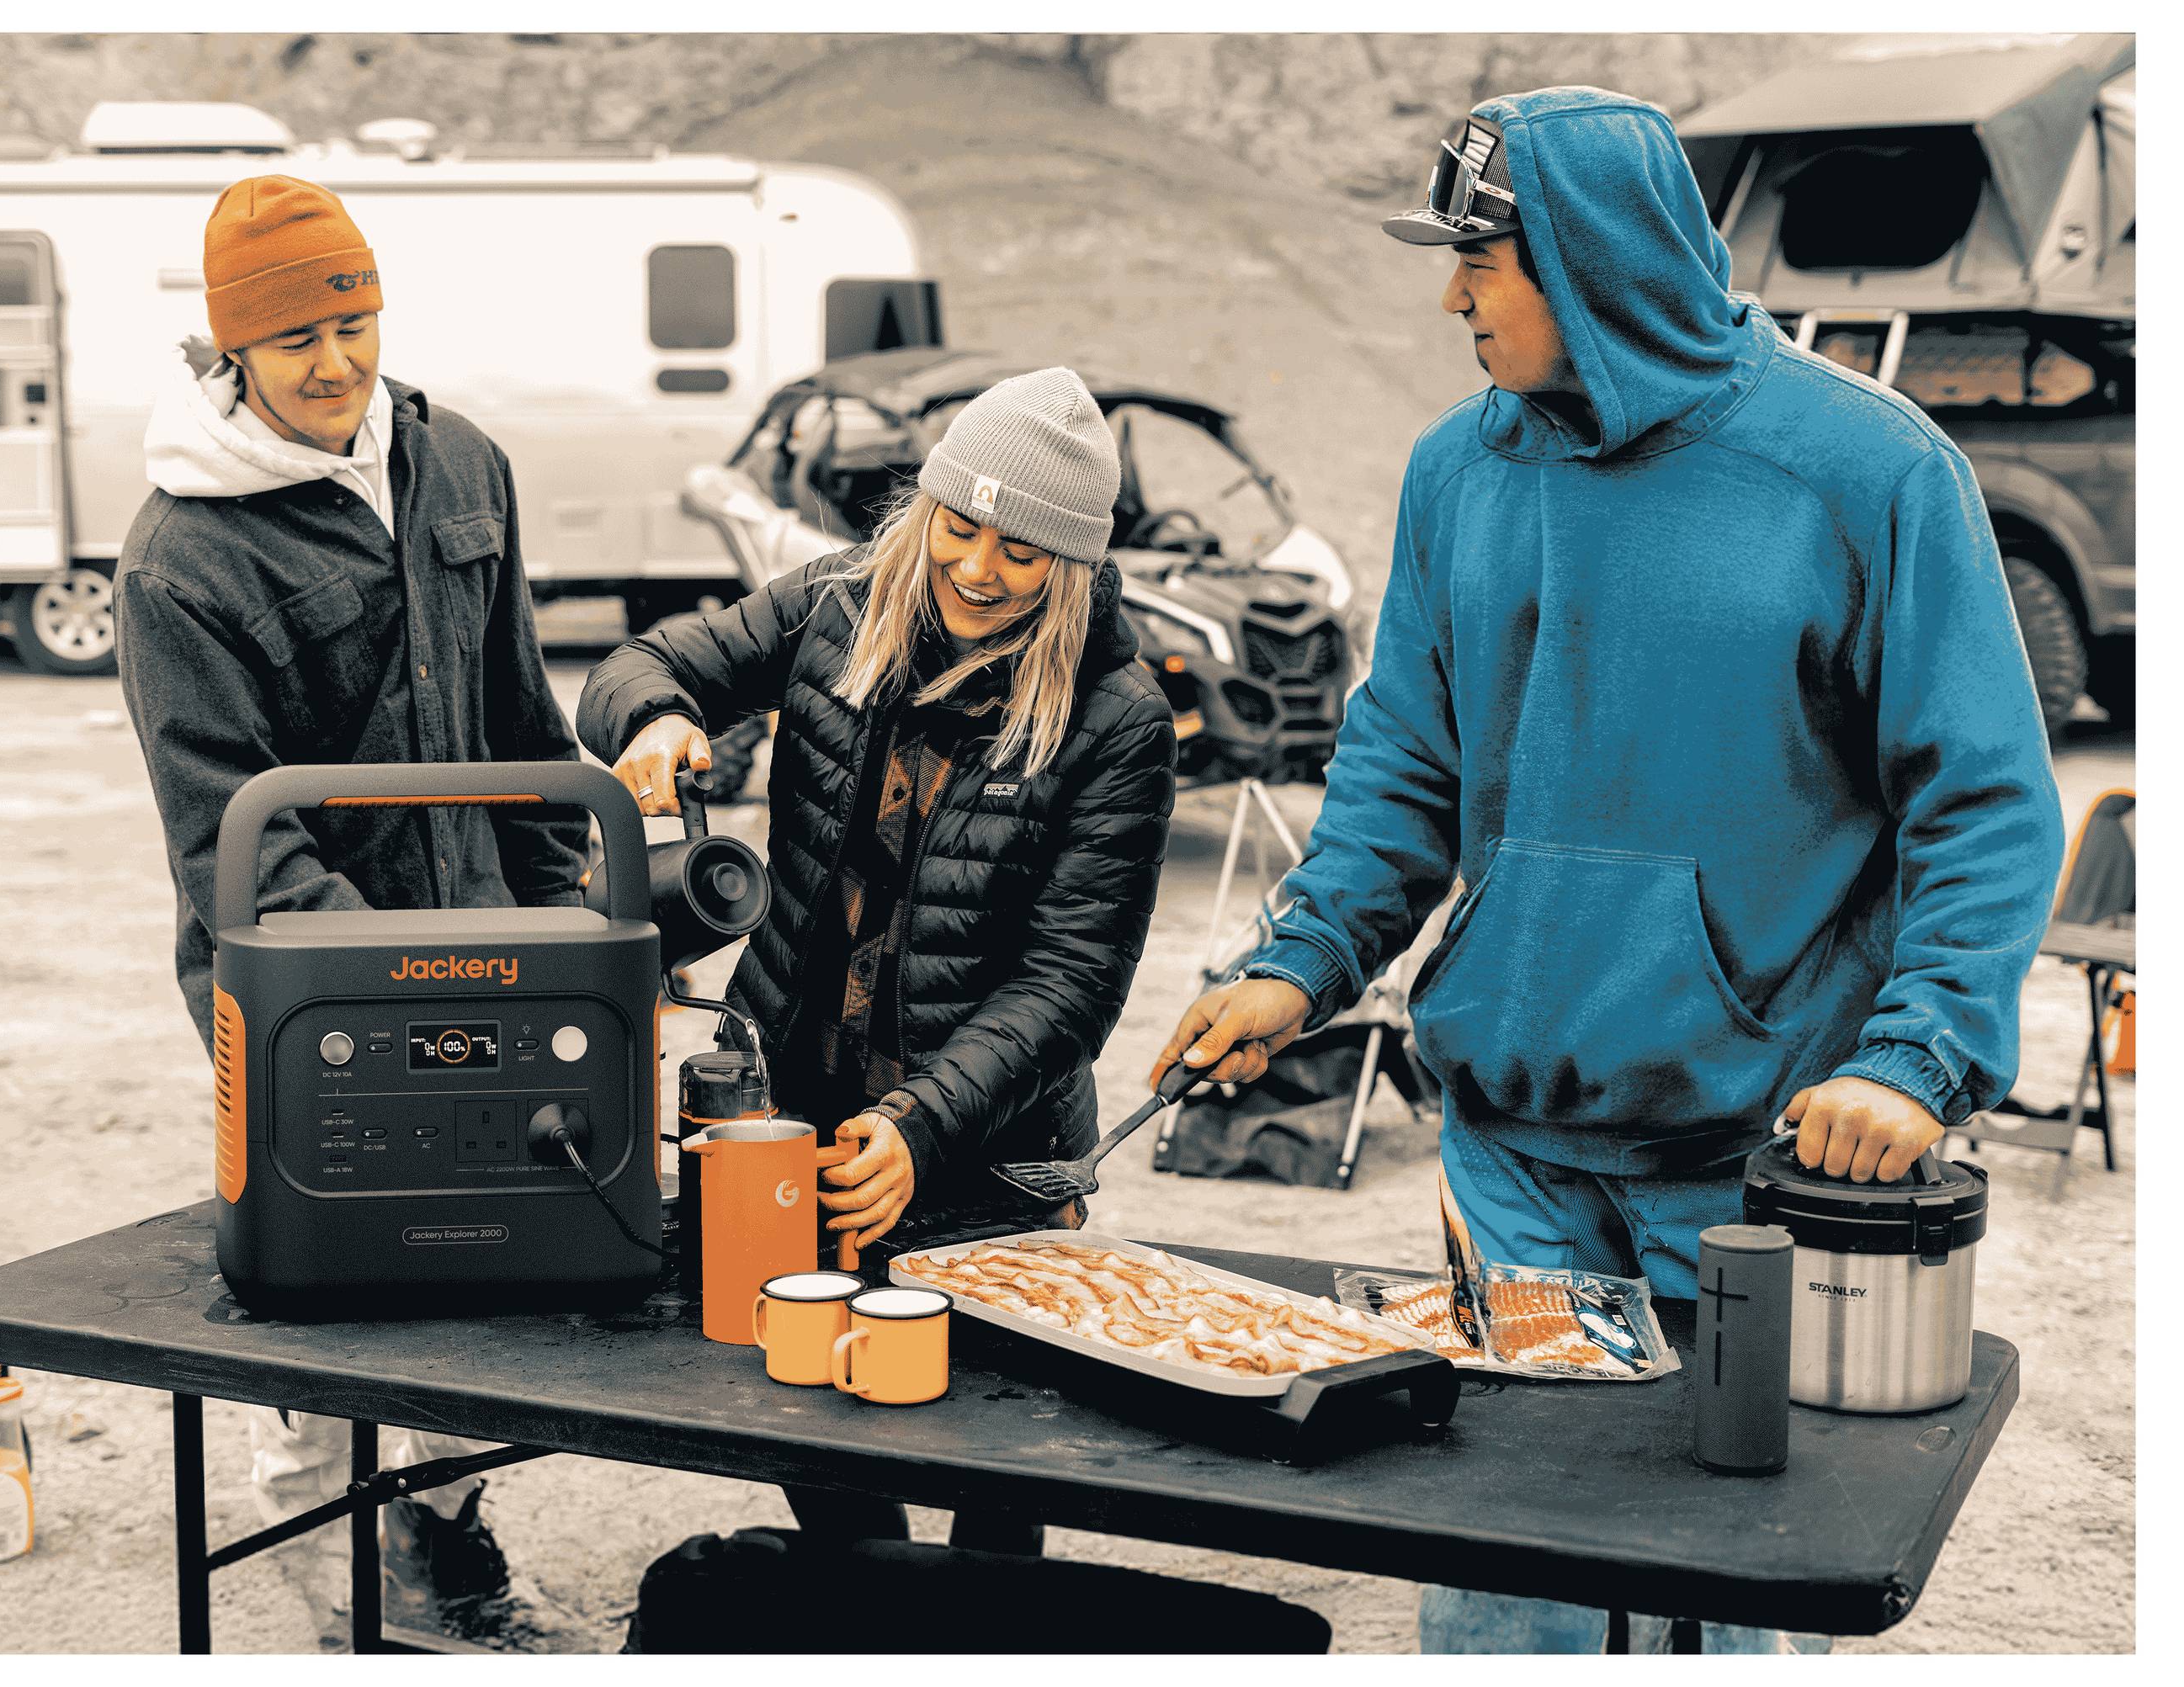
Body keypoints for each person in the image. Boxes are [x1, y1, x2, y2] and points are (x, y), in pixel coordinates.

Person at [1151, 89, 2063, 1654]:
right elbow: (1403, 760)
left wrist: (1916, 1058)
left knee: (1730, 1596)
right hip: (1512, 1151)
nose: (1452, 299)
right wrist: (1301, 961)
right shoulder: (1456, 472)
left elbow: (1981, 803)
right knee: (1509, 1588)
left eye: (1479, 262)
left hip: (1758, 1166)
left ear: (1589, 260)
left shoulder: (1867, 472)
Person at [579, 367, 1179, 1547]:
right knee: (803, 1400)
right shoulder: (835, 602)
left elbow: (1072, 981)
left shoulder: (1118, 717)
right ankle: (868, 1595)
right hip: (790, 1111)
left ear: (1072, 563)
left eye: (1021, 551)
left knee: (995, 1457)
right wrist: (653, 715)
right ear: (927, 507)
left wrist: (920, 1127)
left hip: (993, 1149)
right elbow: (642, 662)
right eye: (958, 528)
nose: (977, 569)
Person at [114, 175, 587, 1648]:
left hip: (496, 960)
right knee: (329, 1293)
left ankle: (444, 1529)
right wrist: (411, 986)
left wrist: (575, 925)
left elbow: (521, 718)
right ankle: (339, 1592)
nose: (335, 362)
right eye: (295, 338)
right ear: (231, 350)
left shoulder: (464, 464)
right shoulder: (179, 561)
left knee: (487, 1261)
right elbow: (232, 842)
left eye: (354, 321)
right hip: (306, 1002)